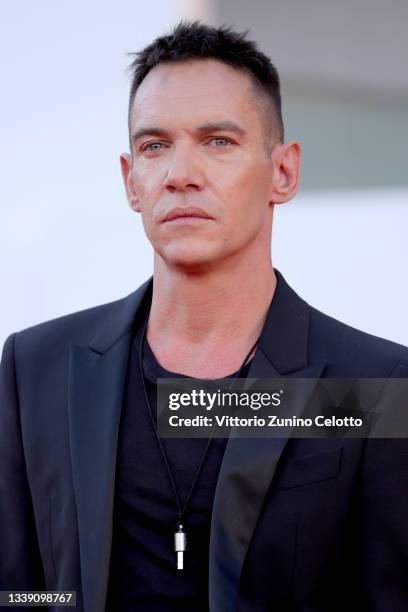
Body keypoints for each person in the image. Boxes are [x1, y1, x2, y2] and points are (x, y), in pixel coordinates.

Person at [1, 20, 407, 612]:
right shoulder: (34, 369)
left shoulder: (375, 386)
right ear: (130, 181)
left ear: (283, 172)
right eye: (154, 145)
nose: (180, 173)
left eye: (218, 141)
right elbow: (24, 593)